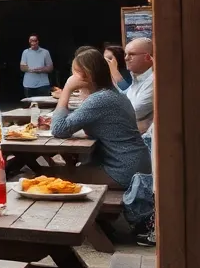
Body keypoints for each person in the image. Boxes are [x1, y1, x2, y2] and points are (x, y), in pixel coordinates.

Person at [50, 47, 151, 190]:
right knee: (64, 172)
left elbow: (59, 129)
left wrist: (67, 89)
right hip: (134, 165)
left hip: (123, 170)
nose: (72, 77)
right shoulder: (111, 94)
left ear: (86, 75)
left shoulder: (100, 99)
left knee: (56, 178)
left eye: (75, 72)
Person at [123, 38, 154, 134]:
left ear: (147, 57)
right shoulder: (137, 78)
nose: (126, 58)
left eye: (131, 54)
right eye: (126, 54)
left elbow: (134, 112)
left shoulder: (154, 80)